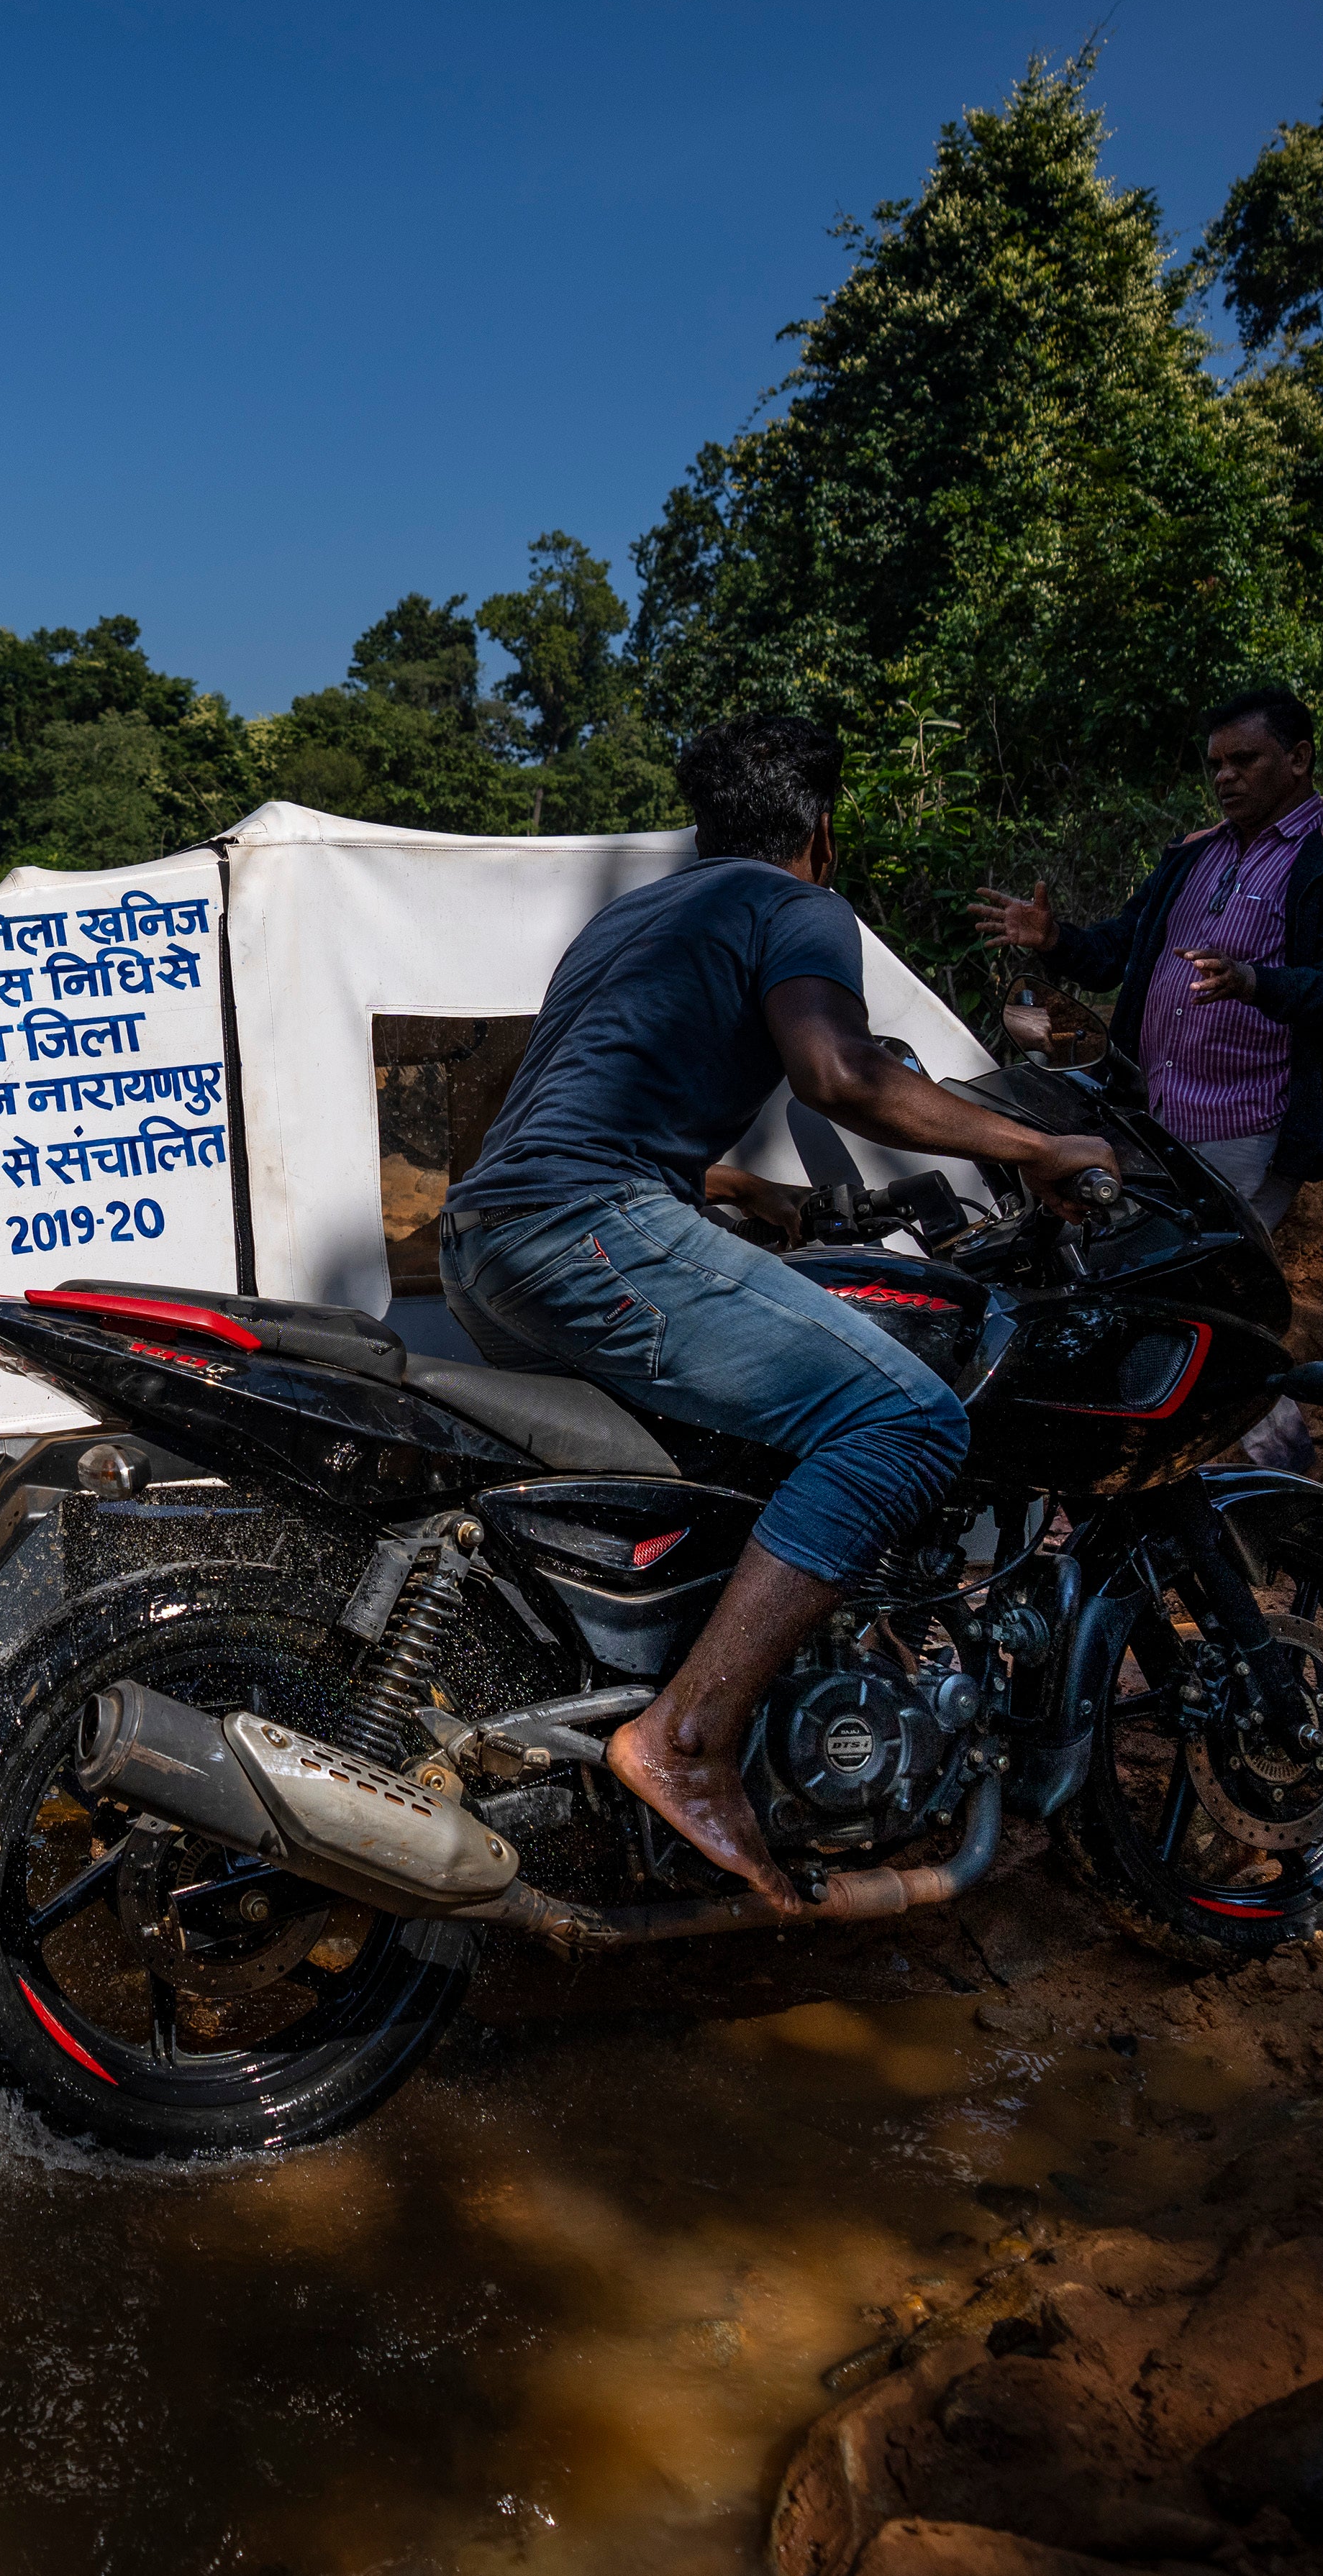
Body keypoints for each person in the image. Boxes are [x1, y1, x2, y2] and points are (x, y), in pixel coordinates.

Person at [437, 717, 1119, 1913]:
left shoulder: (626, 922)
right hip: (588, 1231)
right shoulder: (798, 906)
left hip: (485, 1244)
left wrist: (759, 1196)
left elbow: (595, 1104)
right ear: (822, 828)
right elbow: (842, 1076)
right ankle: (689, 1737)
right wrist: (1037, 1145)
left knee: (721, 1464)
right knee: (906, 1424)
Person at [964, 688, 1323, 1469]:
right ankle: (1235, 1488)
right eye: (1216, 765)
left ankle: (1271, 1482)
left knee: (1185, 1300)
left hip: (1250, 1124)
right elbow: (1116, 954)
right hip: (1156, 1121)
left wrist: (1260, 982)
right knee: (1165, 1298)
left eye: (1245, 761)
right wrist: (1055, 938)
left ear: (1298, 760)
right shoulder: (1195, 853)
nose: (1226, 778)